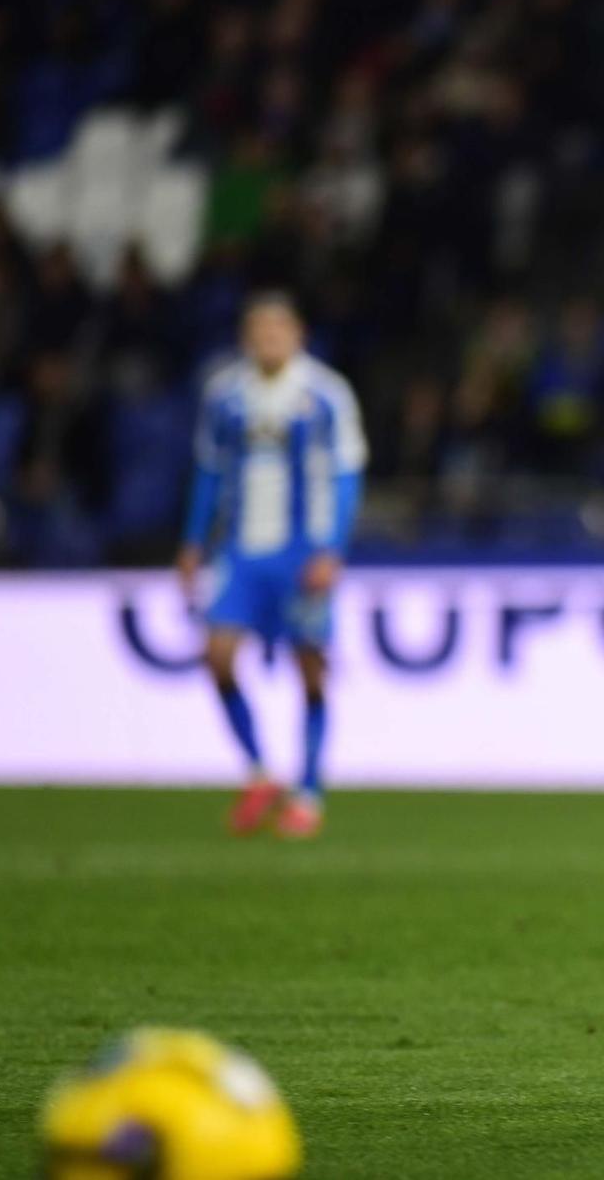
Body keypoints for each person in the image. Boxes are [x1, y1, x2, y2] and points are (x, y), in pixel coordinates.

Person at [177, 293, 367, 839]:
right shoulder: (226, 397)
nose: (269, 341)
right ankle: (260, 771)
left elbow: (347, 476)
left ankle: (308, 789)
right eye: (259, 332)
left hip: (301, 551)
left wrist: (332, 549)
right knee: (217, 657)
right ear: (246, 338)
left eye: (278, 331)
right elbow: (209, 472)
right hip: (240, 550)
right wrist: (193, 542)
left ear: (297, 335)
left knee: (308, 667)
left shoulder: (325, 395)